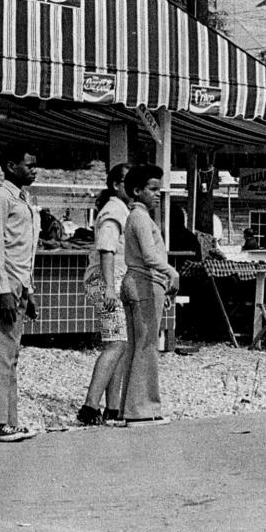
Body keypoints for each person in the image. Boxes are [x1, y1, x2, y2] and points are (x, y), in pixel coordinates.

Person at [0, 143, 40, 442]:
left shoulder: (23, 198)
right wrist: (3, 290)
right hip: (4, 282)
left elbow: (24, 250)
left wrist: (28, 291)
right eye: (28, 164)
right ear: (11, 167)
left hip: (18, 281)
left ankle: (7, 419)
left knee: (11, 353)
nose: (34, 169)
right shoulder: (1, 199)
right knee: (3, 351)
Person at [119, 164, 179, 427]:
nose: (157, 194)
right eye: (152, 189)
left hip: (137, 282)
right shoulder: (141, 218)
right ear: (137, 190)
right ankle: (142, 410)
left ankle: (130, 407)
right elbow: (150, 255)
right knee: (147, 347)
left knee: (137, 346)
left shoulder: (136, 217)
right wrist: (171, 272)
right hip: (144, 282)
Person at [77, 164, 132, 427]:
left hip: (113, 280)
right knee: (116, 344)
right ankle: (90, 406)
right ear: (116, 185)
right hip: (106, 281)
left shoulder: (121, 210)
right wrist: (110, 287)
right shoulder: (113, 212)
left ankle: (112, 407)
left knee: (119, 343)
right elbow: (106, 250)